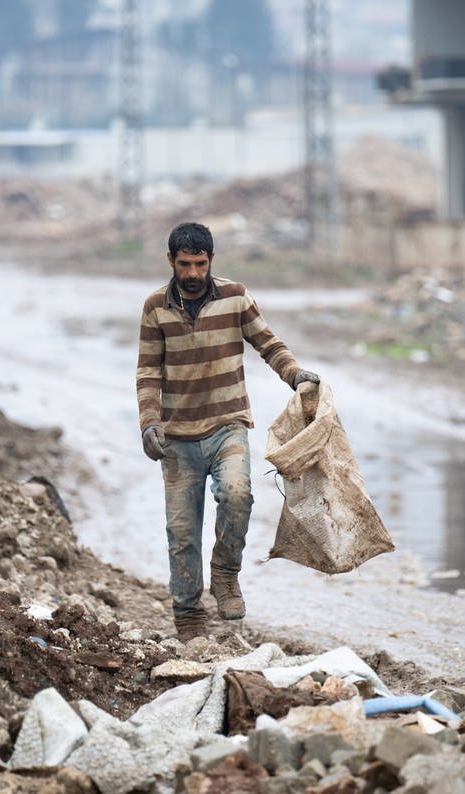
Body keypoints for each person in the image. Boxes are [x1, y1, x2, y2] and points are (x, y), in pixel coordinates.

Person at [136, 221, 321, 641]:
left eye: (201, 264)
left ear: (211, 260)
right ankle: (188, 617)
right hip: (177, 437)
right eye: (185, 264)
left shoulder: (236, 297)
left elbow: (268, 344)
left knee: (237, 495)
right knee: (182, 534)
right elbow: (147, 372)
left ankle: (225, 573)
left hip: (228, 426)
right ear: (171, 262)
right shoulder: (155, 308)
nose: (194, 273)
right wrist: (149, 422)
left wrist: (295, 375)